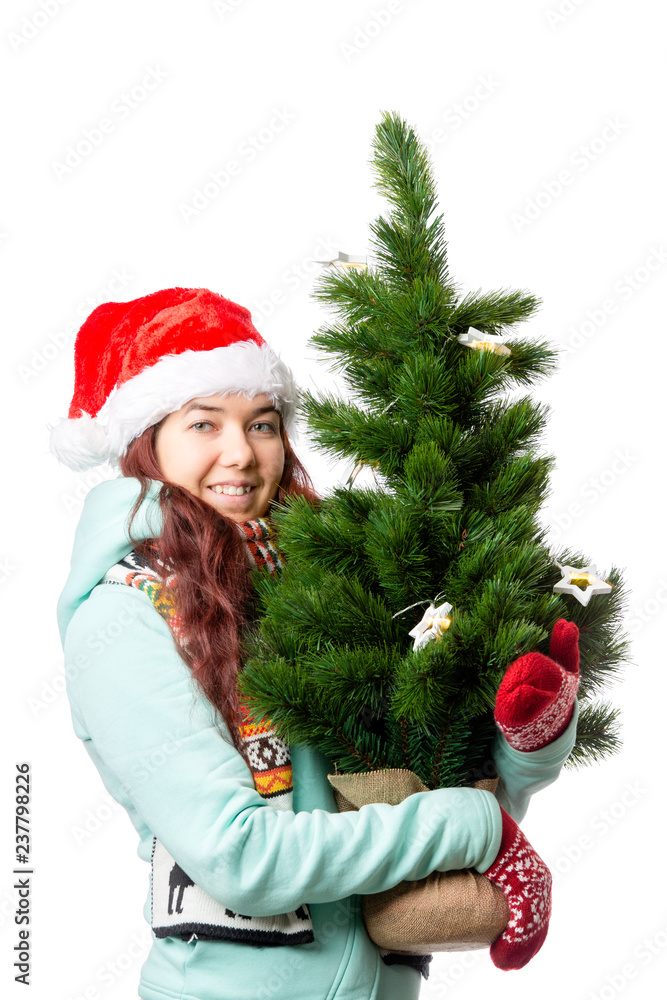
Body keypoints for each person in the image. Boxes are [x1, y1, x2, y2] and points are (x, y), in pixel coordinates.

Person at [51, 287, 580, 1000]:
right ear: (145, 445)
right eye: (203, 424)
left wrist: (529, 741)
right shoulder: (122, 619)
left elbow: (420, 788)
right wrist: (475, 829)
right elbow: (241, 857)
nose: (240, 453)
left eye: (262, 424)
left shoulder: (320, 586)